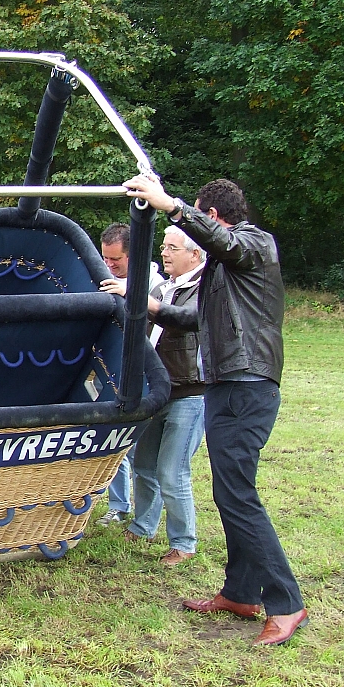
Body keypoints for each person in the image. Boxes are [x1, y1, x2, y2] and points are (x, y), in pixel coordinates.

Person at [123, 174, 308, 646]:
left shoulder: (255, 244)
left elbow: (224, 242)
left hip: (247, 384)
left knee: (238, 494)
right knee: (230, 492)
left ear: (211, 215)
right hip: (228, 385)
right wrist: (150, 307)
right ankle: (241, 593)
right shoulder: (229, 270)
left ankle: (287, 602)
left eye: (198, 216)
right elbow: (201, 320)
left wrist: (171, 206)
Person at [105, 228, 206, 566]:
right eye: (163, 247)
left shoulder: (204, 289)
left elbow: (184, 320)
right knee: (144, 464)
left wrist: (135, 296)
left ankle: (184, 542)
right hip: (157, 391)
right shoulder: (162, 289)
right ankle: (143, 526)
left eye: (173, 248)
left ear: (194, 254)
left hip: (189, 392)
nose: (165, 253)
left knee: (172, 472)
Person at [95, 223, 165, 526]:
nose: (109, 265)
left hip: (144, 373)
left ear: (132, 255)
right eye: (105, 258)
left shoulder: (156, 286)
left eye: (116, 259)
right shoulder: (99, 278)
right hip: (111, 370)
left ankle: (146, 519)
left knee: (142, 453)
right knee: (114, 442)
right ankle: (118, 505)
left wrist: (131, 295)